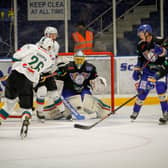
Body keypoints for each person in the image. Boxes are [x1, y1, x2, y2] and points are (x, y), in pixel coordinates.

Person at [0, 37, 54, 136]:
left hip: (15, 75)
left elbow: (16, 56)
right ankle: (25, 118)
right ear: (50, 47)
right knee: (27, 109)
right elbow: (37, 73)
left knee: (9, 104)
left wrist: (17, 66)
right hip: (27, 81)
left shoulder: (32, 47)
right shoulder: (49, 61)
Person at [130, 24, 168, 124]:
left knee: (160, 90)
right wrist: (137, 69)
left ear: (147, 33)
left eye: (141, 33)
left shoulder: (160, 41)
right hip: (147, 71)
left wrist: (162, 51)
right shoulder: (140, 44)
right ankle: (135, 111)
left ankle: (166, 113)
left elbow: (166, 55)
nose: (139, 35)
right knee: (142, 91)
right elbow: (140, 59)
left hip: (160, 70)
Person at [56, 50, 110, 119]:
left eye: (80, 59)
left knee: (87, 103)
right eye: (77, 59)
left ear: (84, 59)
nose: (79, 61)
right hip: (69, 89)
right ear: (74, 59)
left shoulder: (90, 68)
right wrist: (59, 73)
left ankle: (98, 111)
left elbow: (94, 79)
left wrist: (98, 81)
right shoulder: (67, 67)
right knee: (67, 107)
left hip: (83, 89)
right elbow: (58, 78)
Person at [35, 26, 67, 122]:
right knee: (42, 91)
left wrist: (57, 68)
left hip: (48, 71)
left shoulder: (56, 45)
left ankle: (63, 111)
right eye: (51, 35)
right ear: (46, 35)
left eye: (54, 35)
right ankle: (39, 111)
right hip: (38, 72)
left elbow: (54, 59)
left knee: (55, 94)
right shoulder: (38, 45)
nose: (53, 37)